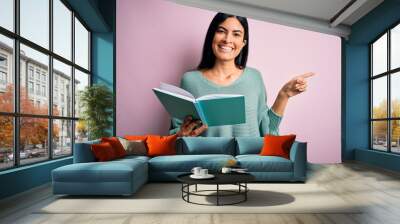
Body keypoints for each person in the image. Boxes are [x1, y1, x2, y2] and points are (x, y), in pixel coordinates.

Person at [170, 12, 314, 137]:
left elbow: (268, 133)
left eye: (236, 34)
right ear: (212, 36)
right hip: (206, 165)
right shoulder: (190, 80)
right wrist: (181, 134)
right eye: (221, 31)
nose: (227, 39)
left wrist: (284, 95)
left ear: (243, 43)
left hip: (249, 165)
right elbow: (176, 134)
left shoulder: (254, 78)